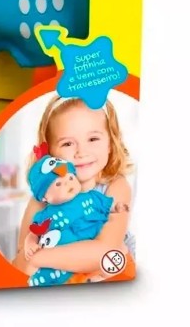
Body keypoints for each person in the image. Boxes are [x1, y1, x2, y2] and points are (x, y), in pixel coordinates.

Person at [12, 95, 135, 282]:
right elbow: (22, 261)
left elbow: (106, 251)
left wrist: (39, 258)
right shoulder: (45, 197)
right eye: (67, 143)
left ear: (110, 144)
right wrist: (34, 257)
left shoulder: (115, 186)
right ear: (50, 153)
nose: (81, 152)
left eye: (93, 139)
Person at [24, 142, 129, 286]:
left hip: (87, 247)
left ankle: (99, 274)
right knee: (44, 272)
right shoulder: (45, 215)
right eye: (58, 184)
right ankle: (43, 280)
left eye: (71, 178)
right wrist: (29, 244)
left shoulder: (90, 197)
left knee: (119, 250)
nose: (68, 184)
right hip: (63, 253)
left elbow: (106, 205)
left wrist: (117, 207)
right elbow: (34, 232)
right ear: (44, 197)